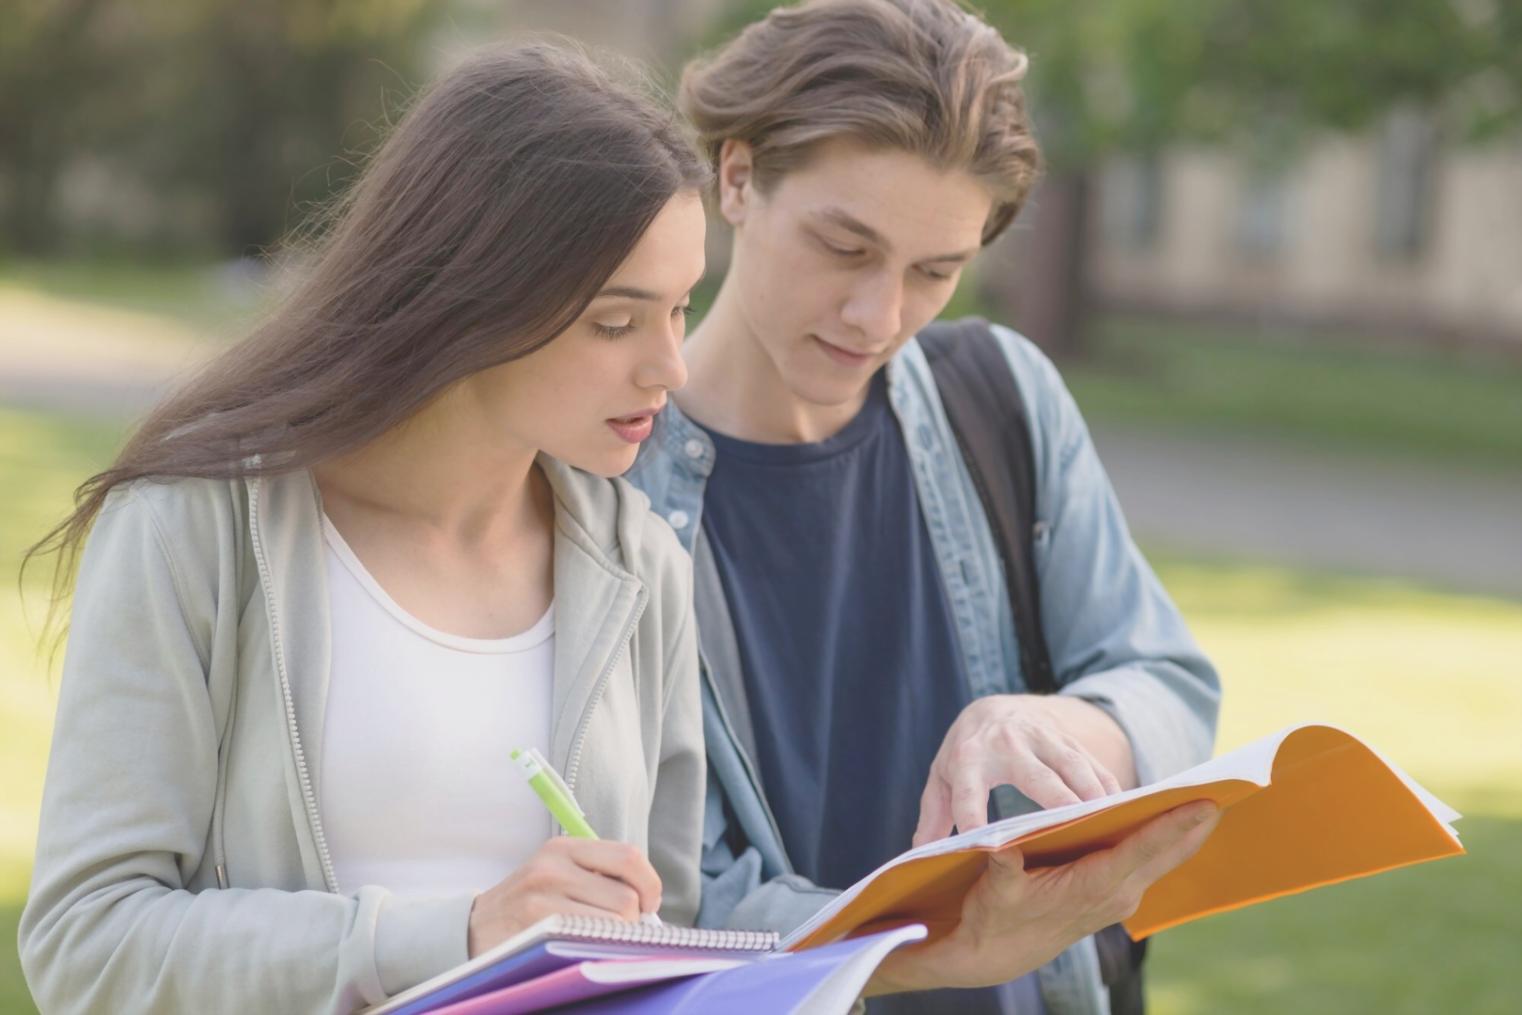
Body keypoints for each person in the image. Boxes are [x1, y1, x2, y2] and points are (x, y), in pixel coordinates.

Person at [19, 43, 710, 1013]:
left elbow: (661, 929)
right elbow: (88, 944)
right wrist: (457, 935)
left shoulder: (639, 562)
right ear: (480, 290)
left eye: (681, 308)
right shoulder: (195, 526)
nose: (669, 368)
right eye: (615, 321)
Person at [626, 1, 1223, 1011]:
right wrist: (937, 951)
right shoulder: (605, 478)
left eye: (935, 270)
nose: (880, 315)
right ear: (735, 178)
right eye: (844, 248)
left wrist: (1042, 723)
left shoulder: (1000, 394)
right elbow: (668, 903)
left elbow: (1165, 680)